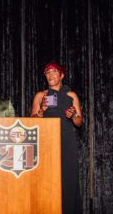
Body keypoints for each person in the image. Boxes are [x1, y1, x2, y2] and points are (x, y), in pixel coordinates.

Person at [30, 62, 83, 214]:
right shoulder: (41, 95)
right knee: (47, 179)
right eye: (47, 73)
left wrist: (73, 116)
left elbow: (79, 122)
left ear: (62, 75)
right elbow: (31, 121)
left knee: (68, 178)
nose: (51, 75)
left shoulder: (71, 95)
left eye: (54, 72)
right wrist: (41, 111)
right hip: (47, 142)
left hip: (67, 140)